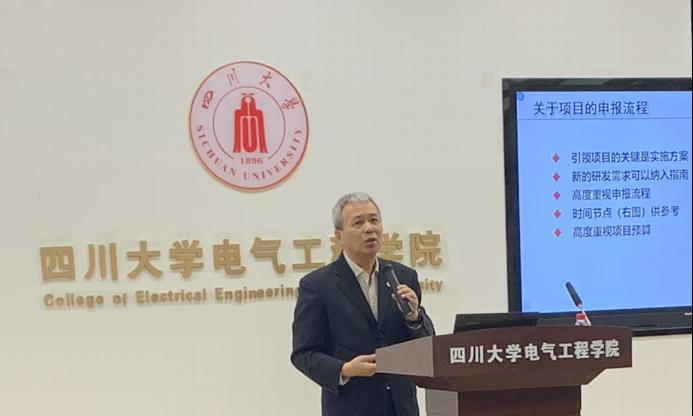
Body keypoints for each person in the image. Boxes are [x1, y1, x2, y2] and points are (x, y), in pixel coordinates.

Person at [291, 192, 435, 416]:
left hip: (401, 407)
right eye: (358, 223)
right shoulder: (318, 285)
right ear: (339, 235)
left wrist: (414, 317)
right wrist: (345, 369)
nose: (369, 229)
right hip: (351, 406)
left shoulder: (403, 276)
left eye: (374, 220)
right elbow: (304, 353)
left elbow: (425, 347)